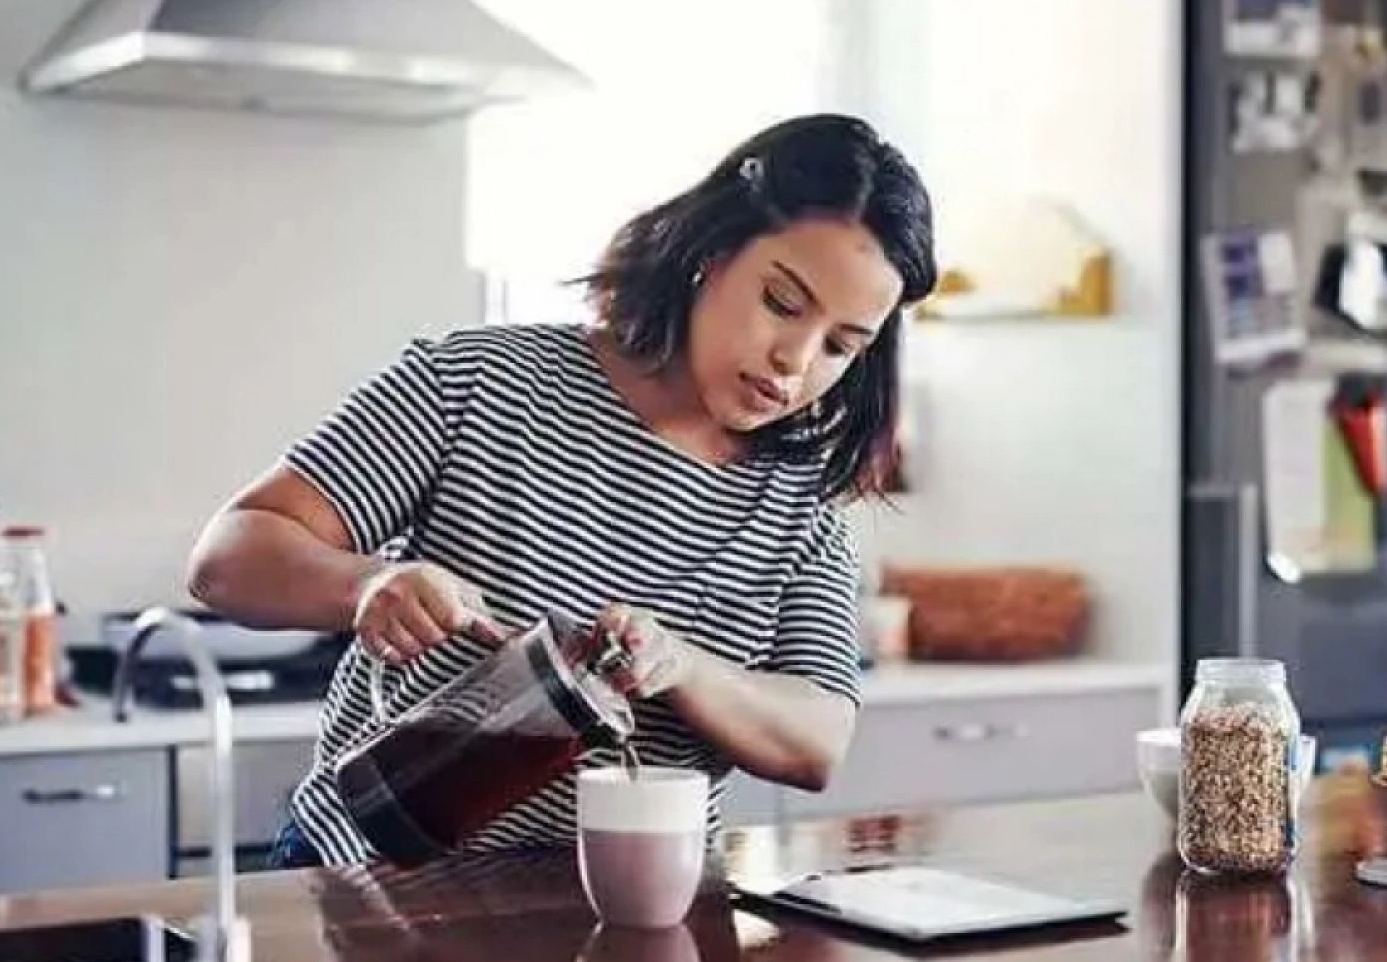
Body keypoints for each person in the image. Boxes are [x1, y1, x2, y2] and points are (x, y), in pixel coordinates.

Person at [186, 113, 938, 867]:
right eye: (781, 302)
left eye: (841, 345)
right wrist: (365, 584)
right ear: (711, 252)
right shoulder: (483, 381)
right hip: (365, 880)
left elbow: (817, 741)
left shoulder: (802, 505)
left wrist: (679, 665)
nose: (794, 362)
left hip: (623, 910)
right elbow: (228, 557)